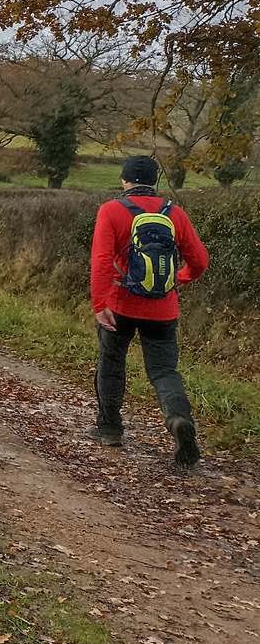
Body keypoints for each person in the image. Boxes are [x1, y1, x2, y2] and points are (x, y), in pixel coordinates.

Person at [88, 155, 209, 466]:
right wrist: (178, 279)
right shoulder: (175, 213)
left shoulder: (111, 210)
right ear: (154, 182)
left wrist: (100, 303)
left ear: (124, 180)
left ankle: (110, 428)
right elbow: (200, 261)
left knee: (112, 362)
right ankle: (179, 420)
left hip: (119, 304)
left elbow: (101, 262)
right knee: (164, 371)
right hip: (162, 308)